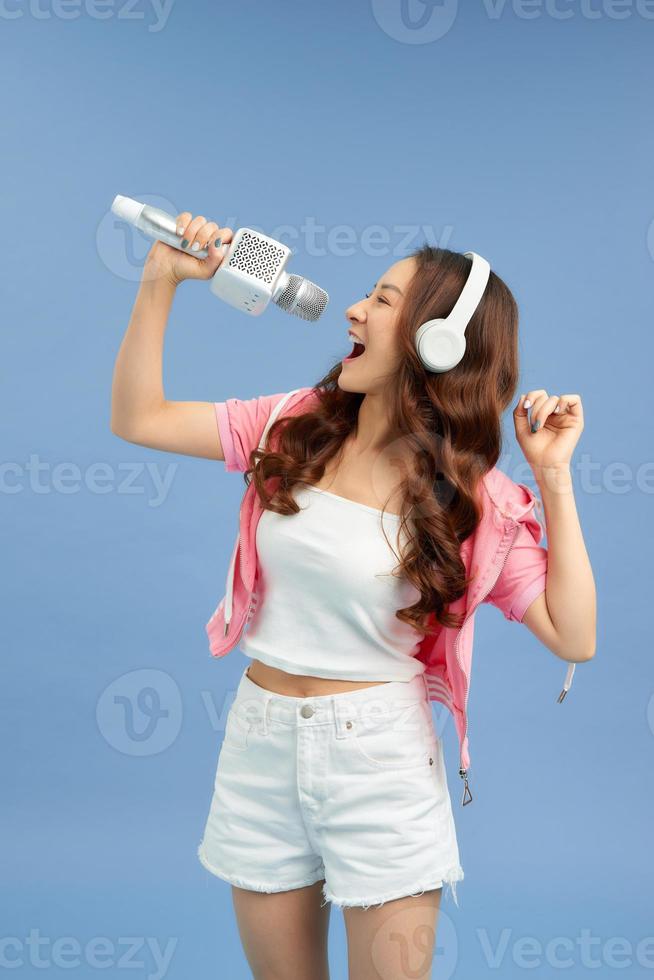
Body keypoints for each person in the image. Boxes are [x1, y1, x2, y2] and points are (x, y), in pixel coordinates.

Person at [110, 210, 596, 980]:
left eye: (381, 299)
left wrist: (555, 478)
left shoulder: (475, 501)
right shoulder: (290, 424)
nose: (352, 310)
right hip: (259, 744)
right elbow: (138, 417)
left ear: (435, 341)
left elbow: (575, 636)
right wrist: (160, 280)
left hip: (379, 760)